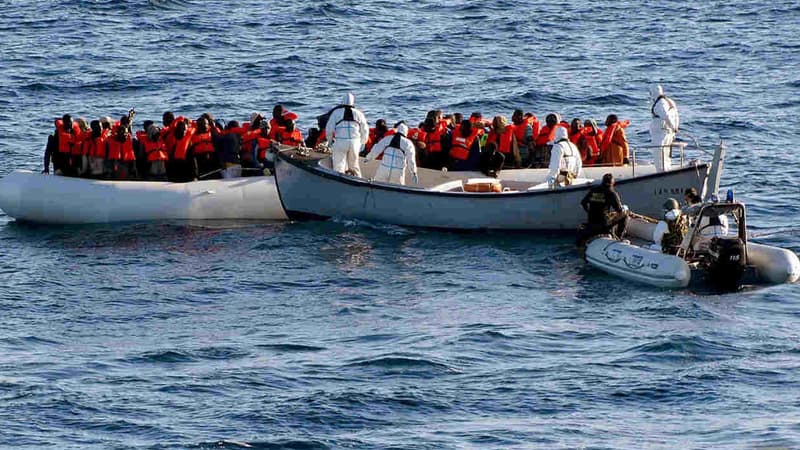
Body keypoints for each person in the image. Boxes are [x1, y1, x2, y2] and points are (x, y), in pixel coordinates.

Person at [322, 93, 369, 176]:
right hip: (355, 142)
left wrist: (330, 142)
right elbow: (365, 130)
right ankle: (359, 183)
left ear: (342, 101)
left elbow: (329, 129)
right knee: (354, 166)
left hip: (340, 142)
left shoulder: (336, 113)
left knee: (339, 166)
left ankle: (339, 184)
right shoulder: (359, 114)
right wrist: (363, 142)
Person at [578, 173, 629, 244]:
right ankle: (619, 237)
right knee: (625, 215)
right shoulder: (611, 193)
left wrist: (589, 212)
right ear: (612, 183)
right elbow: (619, 211)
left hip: (591, 223)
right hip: (604, 224)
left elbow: (583, 203)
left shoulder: (593, 190)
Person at [649, 84, 680, 172]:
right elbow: (676, 116)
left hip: (661, 133)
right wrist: (674, 128)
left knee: (659, 154)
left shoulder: (660, 104)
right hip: (668, 132)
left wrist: (673, 127)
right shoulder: (670, 101)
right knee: (666, 154)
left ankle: (661, 172)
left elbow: (666, 116)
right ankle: (667, 169)